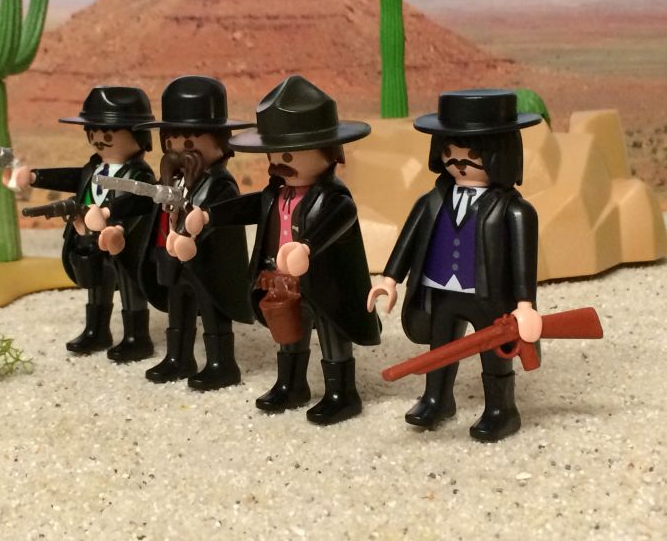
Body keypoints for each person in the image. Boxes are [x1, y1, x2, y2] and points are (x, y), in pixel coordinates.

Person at [178, 75, 381, 425]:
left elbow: (336, 221)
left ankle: (342, 394)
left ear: (328, 150)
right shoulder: (276, 193)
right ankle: (291, 385)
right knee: (288, 332)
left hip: (324, 284)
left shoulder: (334, 198)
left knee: (331, 334)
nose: (277, 163)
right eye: (273, 154)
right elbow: (247, 206)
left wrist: (307, 247)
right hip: (279, 279)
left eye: (287, 155)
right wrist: (209, 215)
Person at [367, 88, 543, 442]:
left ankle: (501, 410)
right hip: (440, 290)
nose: (459, 163)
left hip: (488, 295)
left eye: (472, 155)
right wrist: (389, 279)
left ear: (499, 154)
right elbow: (408, 240)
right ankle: (437, 399)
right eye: (450, 153)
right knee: (441, 346)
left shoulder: (515, 210)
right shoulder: (432, 200)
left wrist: (525, 306)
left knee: (495, 353)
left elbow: (524, 262)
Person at [89, 76, 254, 390]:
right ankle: (178, 358)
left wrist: (193, 231)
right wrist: (111, 211)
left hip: (206, 263)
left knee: (212, 310)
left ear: (221, 142)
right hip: (170, 257)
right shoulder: (172, 180)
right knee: (178, 309)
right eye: (172, 143)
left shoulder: (219, 183)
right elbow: (144, 200)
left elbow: (220, 218)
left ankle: (221, 364)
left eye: (189, 144)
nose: (179, 152)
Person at [7, 86, 158, 361]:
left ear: (137, 135)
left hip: (125, 241)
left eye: (108, 135)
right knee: (97, 282)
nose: (99, 140)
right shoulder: (93, 168)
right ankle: (96, 331)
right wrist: (36, 176)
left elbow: (140, 201)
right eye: (93, 133)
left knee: (130, 286)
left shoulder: (140, 175)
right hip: (90, 238)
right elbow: (70, 177)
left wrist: (110, 216)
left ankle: (137, 338)